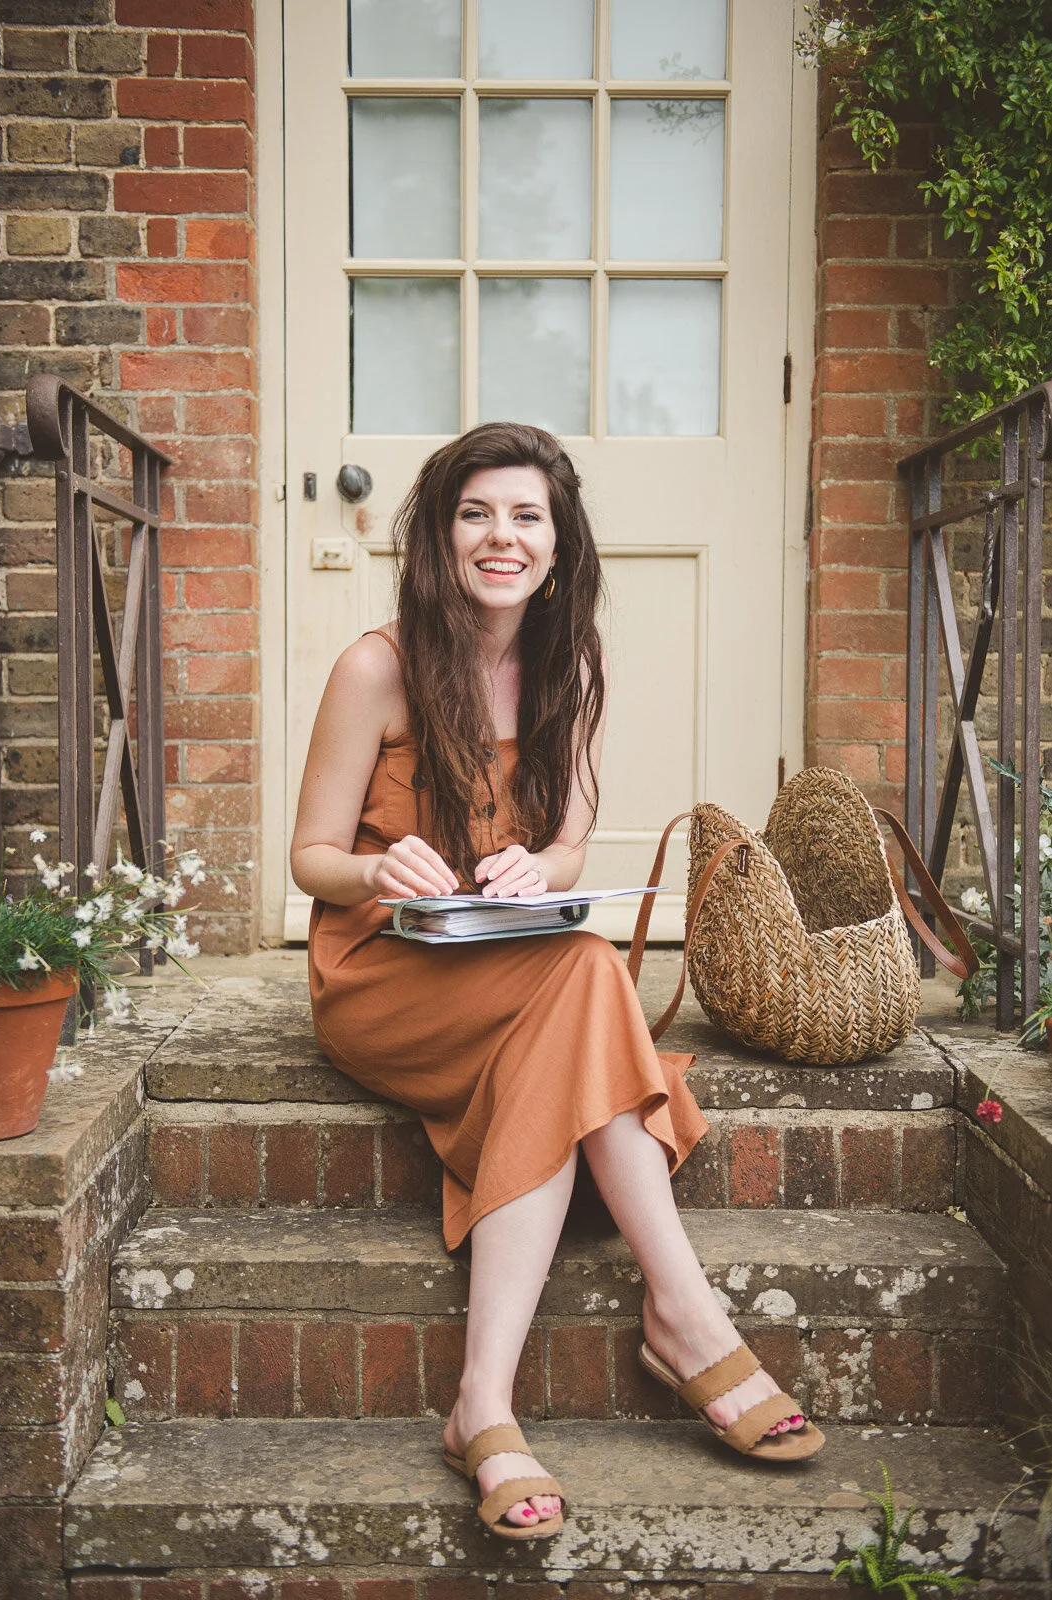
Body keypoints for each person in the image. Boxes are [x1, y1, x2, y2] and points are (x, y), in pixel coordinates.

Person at [290, 422, 824, 1543]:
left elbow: (572, 846)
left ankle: (482, 1401)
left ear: (558, 538)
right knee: (587, 982)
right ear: (438, 537)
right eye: (477, 512)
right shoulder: (375, 666)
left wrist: (544, 865)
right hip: (384, 969)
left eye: (527, 515)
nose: (503, 536)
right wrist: (380, 868)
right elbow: (309, 859)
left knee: (573, 983)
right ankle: (685, 1316)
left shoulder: (571, 667)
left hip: (509, 965)